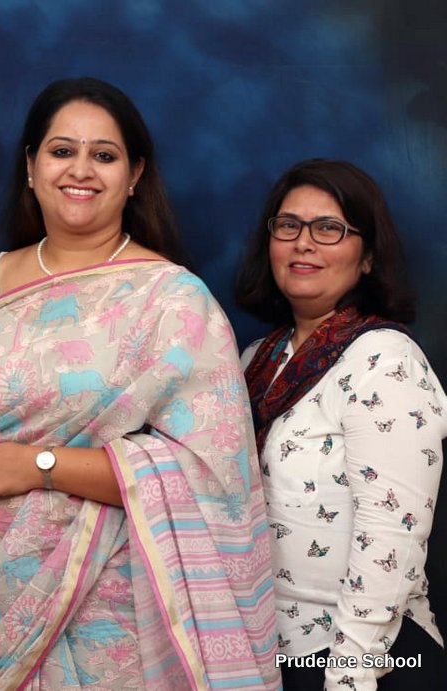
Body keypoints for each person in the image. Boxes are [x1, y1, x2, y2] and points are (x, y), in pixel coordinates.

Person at [0, 77, 280, 689]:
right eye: (62, 151)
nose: (80, 169)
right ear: (30, 166)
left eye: (103, 155)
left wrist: (42, 466)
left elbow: (213, 478)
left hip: (104, 611)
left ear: (134, 175)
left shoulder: (174, 301)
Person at [236, 159, 446, 690]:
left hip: (363, 657)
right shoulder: (255, 361)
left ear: (368, 256)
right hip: (264, 655)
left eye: (329, 228)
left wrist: (349, 673)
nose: (303, 243)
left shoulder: (385, 361)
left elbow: (392, 534)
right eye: (288, 226)